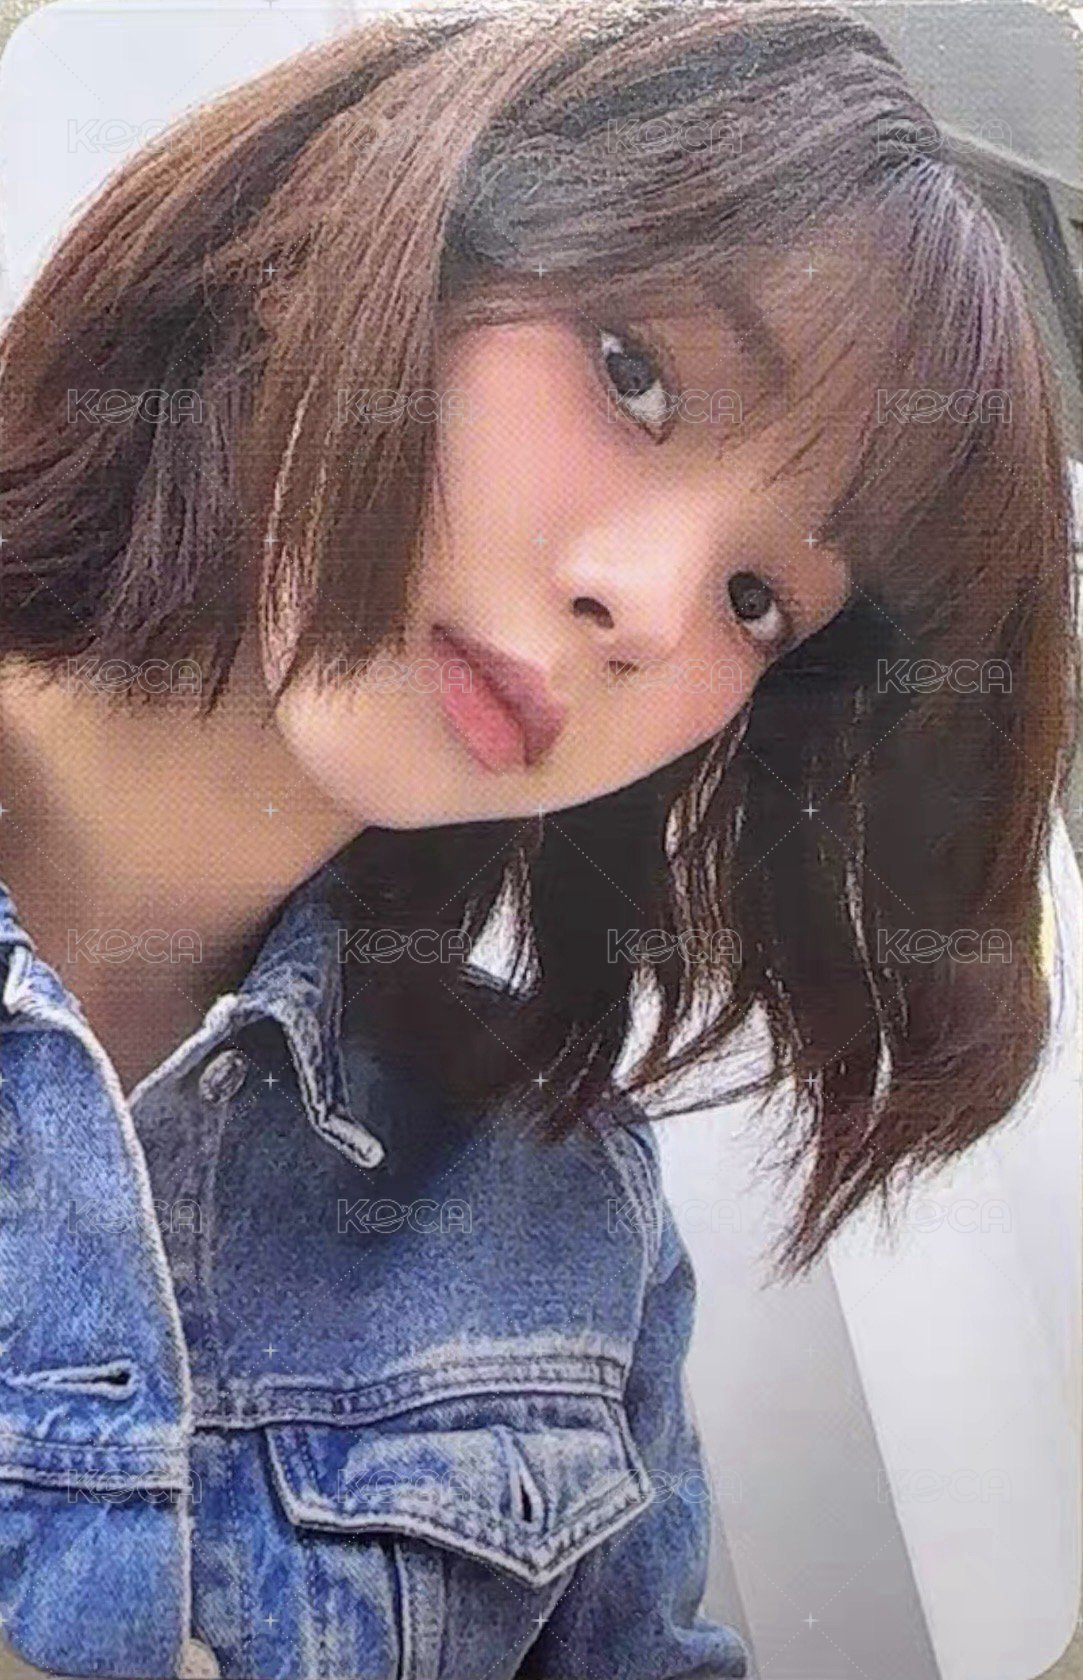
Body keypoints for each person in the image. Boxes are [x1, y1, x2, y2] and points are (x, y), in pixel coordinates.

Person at [0, 0, 1077, 1675]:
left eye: (759, 601)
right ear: (370, 210)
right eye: (634, 373)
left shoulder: (555, 1214)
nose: (644, 607)